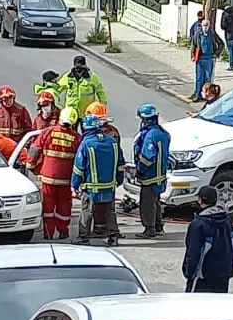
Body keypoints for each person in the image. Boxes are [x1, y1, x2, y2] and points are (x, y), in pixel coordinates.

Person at [29, 108, 82, 239]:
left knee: (48, 205)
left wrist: (30, 165)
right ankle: (63, 231)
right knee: (64, 205)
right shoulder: (76, 138)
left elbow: (35, 149)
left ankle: (48, 232)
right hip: (66, 178)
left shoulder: (48, 132)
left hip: (48, 177)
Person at [71, 114, 123, 246]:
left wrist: (74, 185)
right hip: (109, 187)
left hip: (91, 188)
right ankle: (113, 237)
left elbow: (79, 168)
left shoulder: (86, 144)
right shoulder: (112, 142)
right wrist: (119, 180)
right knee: (110, 212)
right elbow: (120, 164)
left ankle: (83, 238)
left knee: (86, 212)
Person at [182, 186, 233, 292]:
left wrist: (189, 272)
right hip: (223, 274)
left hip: (202, 276)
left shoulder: (198, 224)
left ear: (200, 200)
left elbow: (194, 252)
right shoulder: (227, 221)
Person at [132, 103, 170, 238]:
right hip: (160, 175)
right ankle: (158, 226)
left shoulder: (150, 135)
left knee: (147, 204)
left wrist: (139, 171)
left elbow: (147, 158)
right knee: (156, 202)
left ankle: (149, 229)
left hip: (150, 176)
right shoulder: (163, 133)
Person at [58, 56, 107, 120]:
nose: (78, 70)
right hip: (72, 112)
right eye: (77, 67)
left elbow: (100, 91)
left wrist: (102, 106)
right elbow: (58, 88)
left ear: (85, 66)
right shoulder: (69, 76)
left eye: (80, 67)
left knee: (88, 129)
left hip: (87, 111)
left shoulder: (92, 77)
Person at [190, 17, 217, 101]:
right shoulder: (198, 34)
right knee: (199, 77)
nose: (205, 27)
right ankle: (198, 95)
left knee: (208, 78)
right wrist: (192, 55)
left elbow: (221, 44)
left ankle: (207, 95)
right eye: (204, 25)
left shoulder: (212, 33)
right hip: (200, 58)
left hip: (209, 59)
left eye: (207, 25)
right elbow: (193, 45)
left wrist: (216, 54)